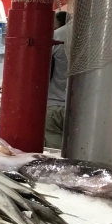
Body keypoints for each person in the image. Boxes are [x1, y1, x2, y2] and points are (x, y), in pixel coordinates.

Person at [45, 11, 70, 150]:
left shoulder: (58, 36)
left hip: (54, 106)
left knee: (54, 158)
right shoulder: (98, 34)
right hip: (86, 111)